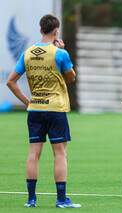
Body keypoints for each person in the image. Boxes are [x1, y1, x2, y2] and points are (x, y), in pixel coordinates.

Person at [6, 14, 81, 208]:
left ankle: (31, 200)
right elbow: (71, 77)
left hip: (35, 109)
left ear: (40, 29)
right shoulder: (59, 53)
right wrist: (62, 50)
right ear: (56, 31)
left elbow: (10, 82)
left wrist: (26, 101)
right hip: (55, 108)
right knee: (60, 153)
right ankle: (61, 199)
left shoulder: (28, 52)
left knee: (33, 154)